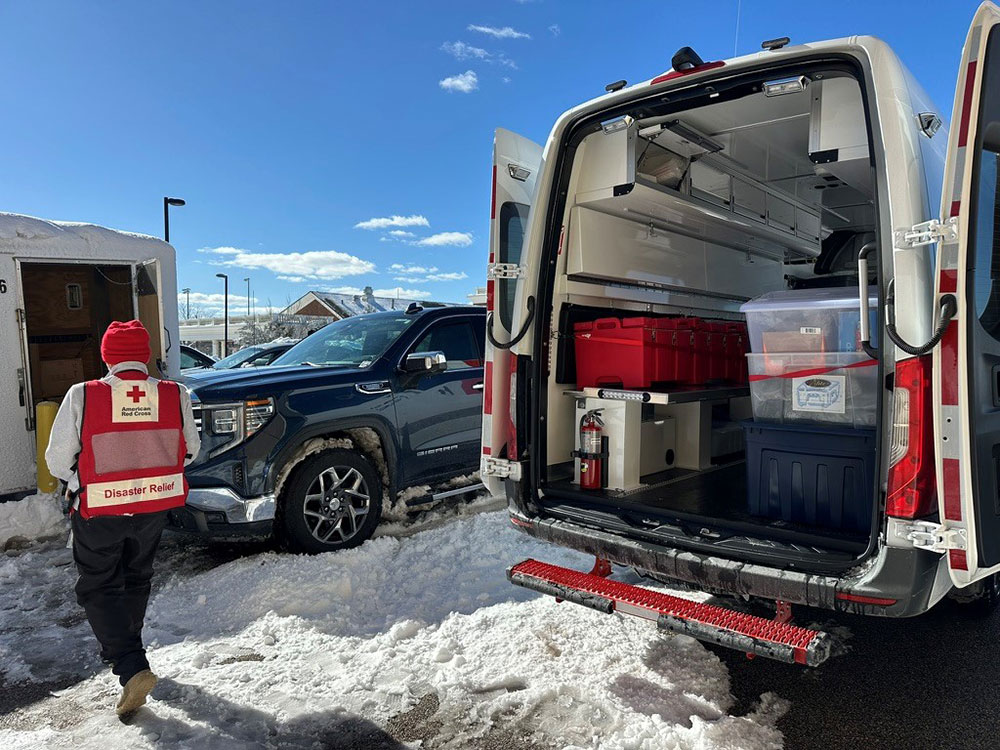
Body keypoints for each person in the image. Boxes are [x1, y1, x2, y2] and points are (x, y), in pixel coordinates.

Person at [45, 320, 200, 720]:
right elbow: (191, 451)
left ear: (107, 356)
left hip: (100, 508)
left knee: (98, 587)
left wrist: (83, 477)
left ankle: (131, 668)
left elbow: (57, 460)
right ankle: (134, 655)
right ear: (146, 355)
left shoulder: (84, 394)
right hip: (153, 508)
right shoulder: (174, 394)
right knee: (136, 577)